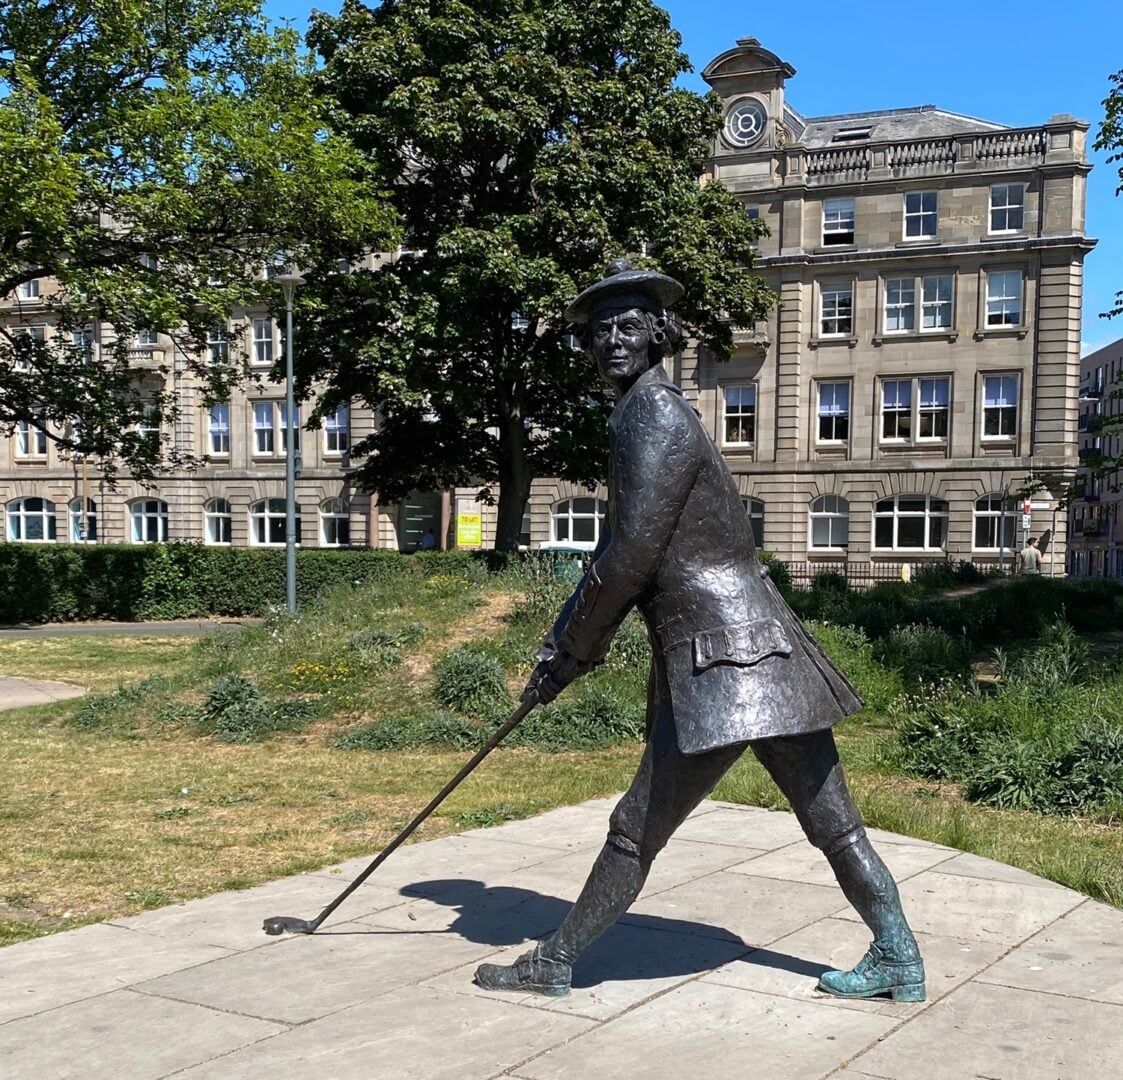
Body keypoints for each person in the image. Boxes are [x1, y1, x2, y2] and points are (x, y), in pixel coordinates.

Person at [474, 261, 925, 1002]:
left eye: (629, 326)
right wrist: (563, 641)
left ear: (657, 335)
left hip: (719, 660)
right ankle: (897, 955)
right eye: (599, 331)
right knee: (832, 824)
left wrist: (573, 654)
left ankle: (553, 962)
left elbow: (630, 557)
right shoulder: (654, 412)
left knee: (638, 824)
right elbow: (619, 546)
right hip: (760, 646)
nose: (613, 341)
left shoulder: (649, 415)